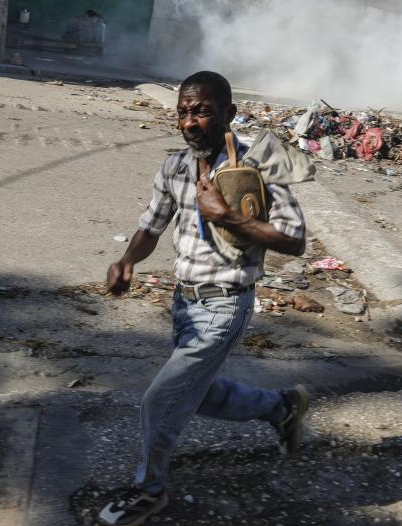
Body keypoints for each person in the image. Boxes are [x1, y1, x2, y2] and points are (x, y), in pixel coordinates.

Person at [97, 71, 309, 526]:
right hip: (184, 304)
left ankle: (149, 490)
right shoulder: (174, 167)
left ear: (229, 113)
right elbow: (152, 226)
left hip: (226, 303)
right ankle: (283, 407)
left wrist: (228, 215)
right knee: (200, 395)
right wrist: (127, 260)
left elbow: (294, 240)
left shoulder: (260, 166)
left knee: (160, 400)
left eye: (202, 111)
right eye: (183, 113)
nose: (190, 122)